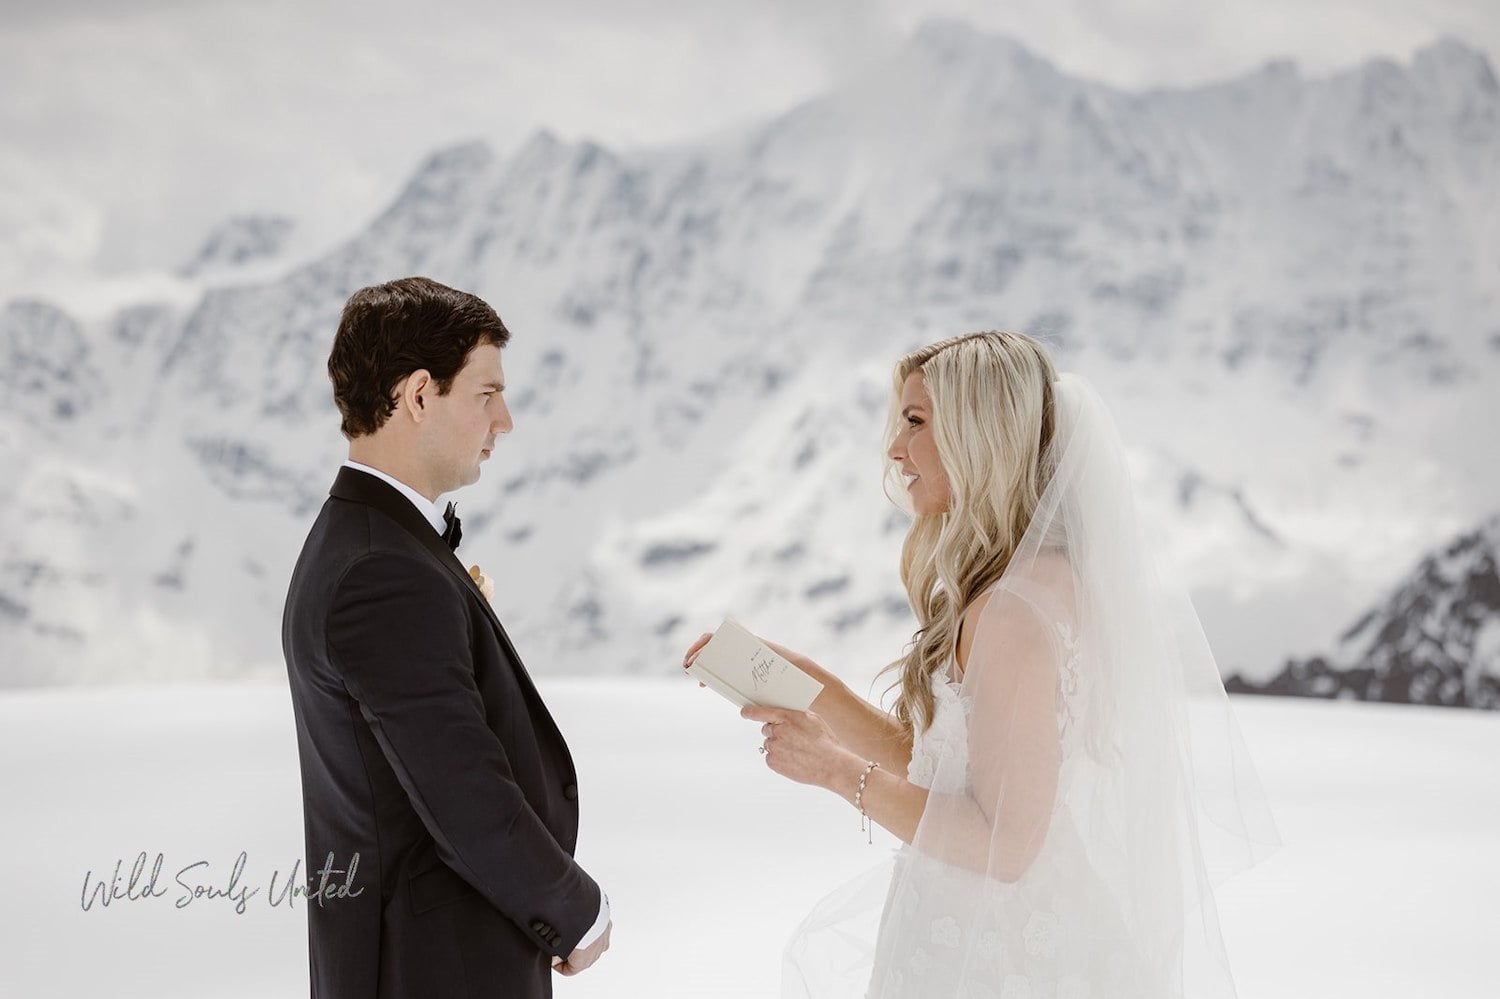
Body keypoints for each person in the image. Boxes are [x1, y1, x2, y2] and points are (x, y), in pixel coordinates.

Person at [684, 331, 1278, 998]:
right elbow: (951, 765)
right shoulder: (1034, 581)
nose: (894, 448)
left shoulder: (1015, 612)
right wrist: (810, 686)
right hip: (990, 937)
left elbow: (1007, 839)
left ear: (975, 434)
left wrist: (832, 768)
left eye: (915, 421)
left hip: (1001, 960)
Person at [282, 277, 611, 998]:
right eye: (487, 395)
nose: (506, 421)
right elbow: (461, 789)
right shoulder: (381, 572)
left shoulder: (372, 543)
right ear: (420, 395)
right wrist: (574, 909)